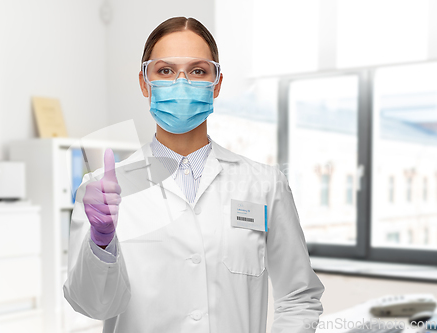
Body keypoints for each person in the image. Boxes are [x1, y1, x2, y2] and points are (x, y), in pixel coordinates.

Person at [63, 16, 325, 333]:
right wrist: (100, 245)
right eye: (165, 70)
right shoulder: (104, 191)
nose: (182, 83)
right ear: (145, 83)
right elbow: (94, 306)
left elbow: (299, 297)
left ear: (217, 83)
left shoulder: (265, 185)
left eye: (198, 71)